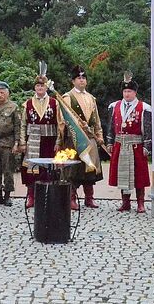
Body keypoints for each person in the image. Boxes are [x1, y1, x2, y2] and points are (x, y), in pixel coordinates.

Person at [60, 65, 104, 210]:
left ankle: (89, 198)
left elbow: (96, 120)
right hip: (74, 139)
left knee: (90, 168)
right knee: (73, 170)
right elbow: (63, 120)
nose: (81, 80)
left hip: (89, 138)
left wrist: (99, 135)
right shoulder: (67, 97)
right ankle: (71, 198)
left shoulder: (91, 98)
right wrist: (60, 140)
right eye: (78, 78)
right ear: (73, 81)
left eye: (83, 78)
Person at [17, 71, 62, 209]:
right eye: (37, 86)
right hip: (33, 140)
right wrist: (23, 142)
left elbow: (60, 124)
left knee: (49, 168)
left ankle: (49, 196)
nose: (40, 88)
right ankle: (31, 195)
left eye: (42, 86)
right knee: (31, 169)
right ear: (35, 88)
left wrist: (58, 142)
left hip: (50, 140)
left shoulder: (55, 103)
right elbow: (23, 124)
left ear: (46, 87)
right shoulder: (28, 104)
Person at [107, 77, 151, 213]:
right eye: (125, 91)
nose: (127, 94)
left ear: (135, 92)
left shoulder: (144, 107)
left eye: (130, 91)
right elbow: (111, 126)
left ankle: (140, 203)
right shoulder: (115, 106)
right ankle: (125, 202)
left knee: (139, 175)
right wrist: (109, 141)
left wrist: (147, 146)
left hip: (136, 145)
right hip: (120, 144)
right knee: (122, 173)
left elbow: (148, 128)